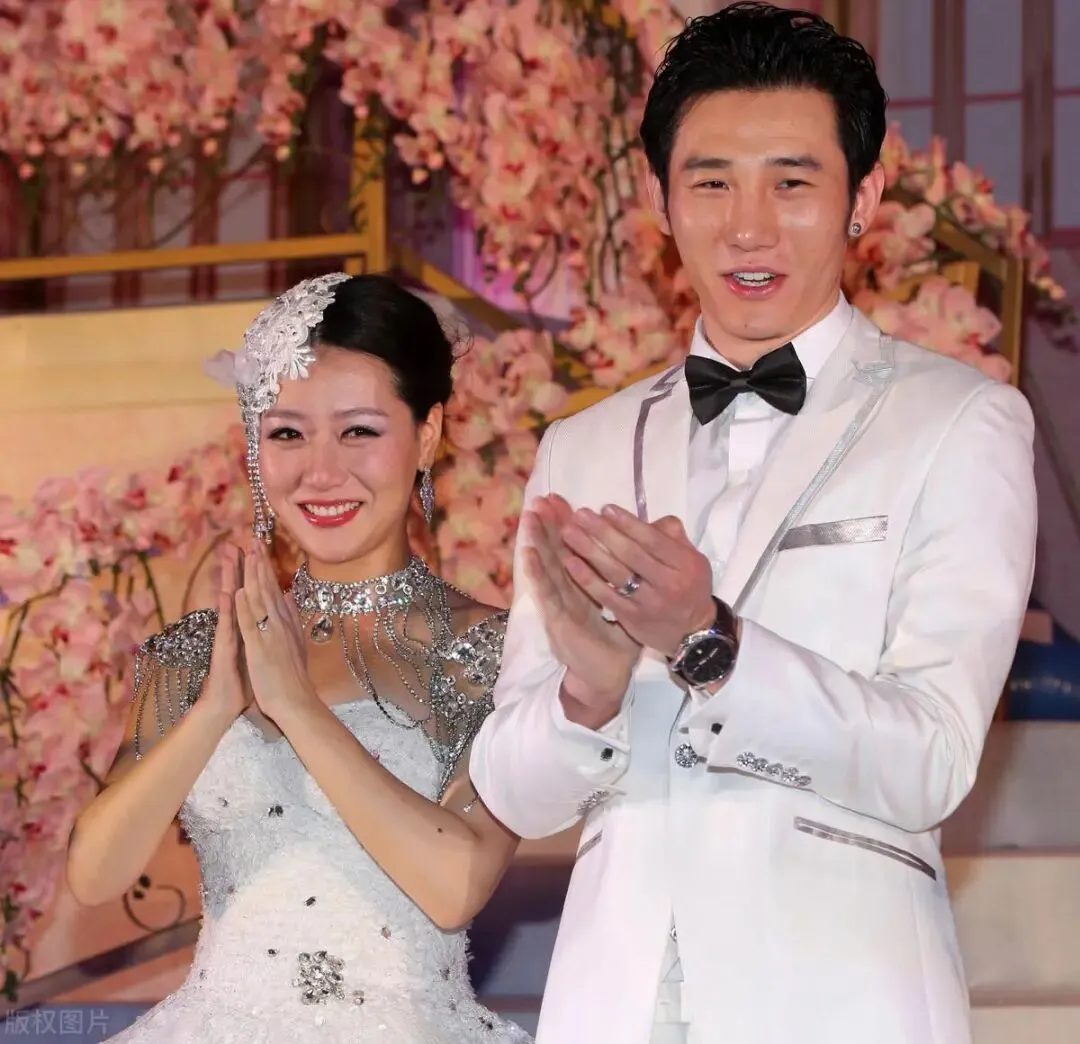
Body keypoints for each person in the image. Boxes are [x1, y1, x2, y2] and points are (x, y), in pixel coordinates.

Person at [469, 5, 1037, 1043]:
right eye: (711, 183)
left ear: (863, 198)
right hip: (617, 1005)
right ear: (660, 201)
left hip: (841, 1000)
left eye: (792, 182)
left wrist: (711, 642)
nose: (748, 227)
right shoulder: (582, 447)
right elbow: (511, 788)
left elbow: (935, 761)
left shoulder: (962, 422)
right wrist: (588, 696)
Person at [66, 273, 530, 1043]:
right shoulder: (197, 652)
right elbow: (94, 875)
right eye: (287, 434)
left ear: (427, 435)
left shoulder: (489, 650)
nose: (320, 472)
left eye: (358, 431)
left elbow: (456, 886)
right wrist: (216, 707)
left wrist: (298, 707)